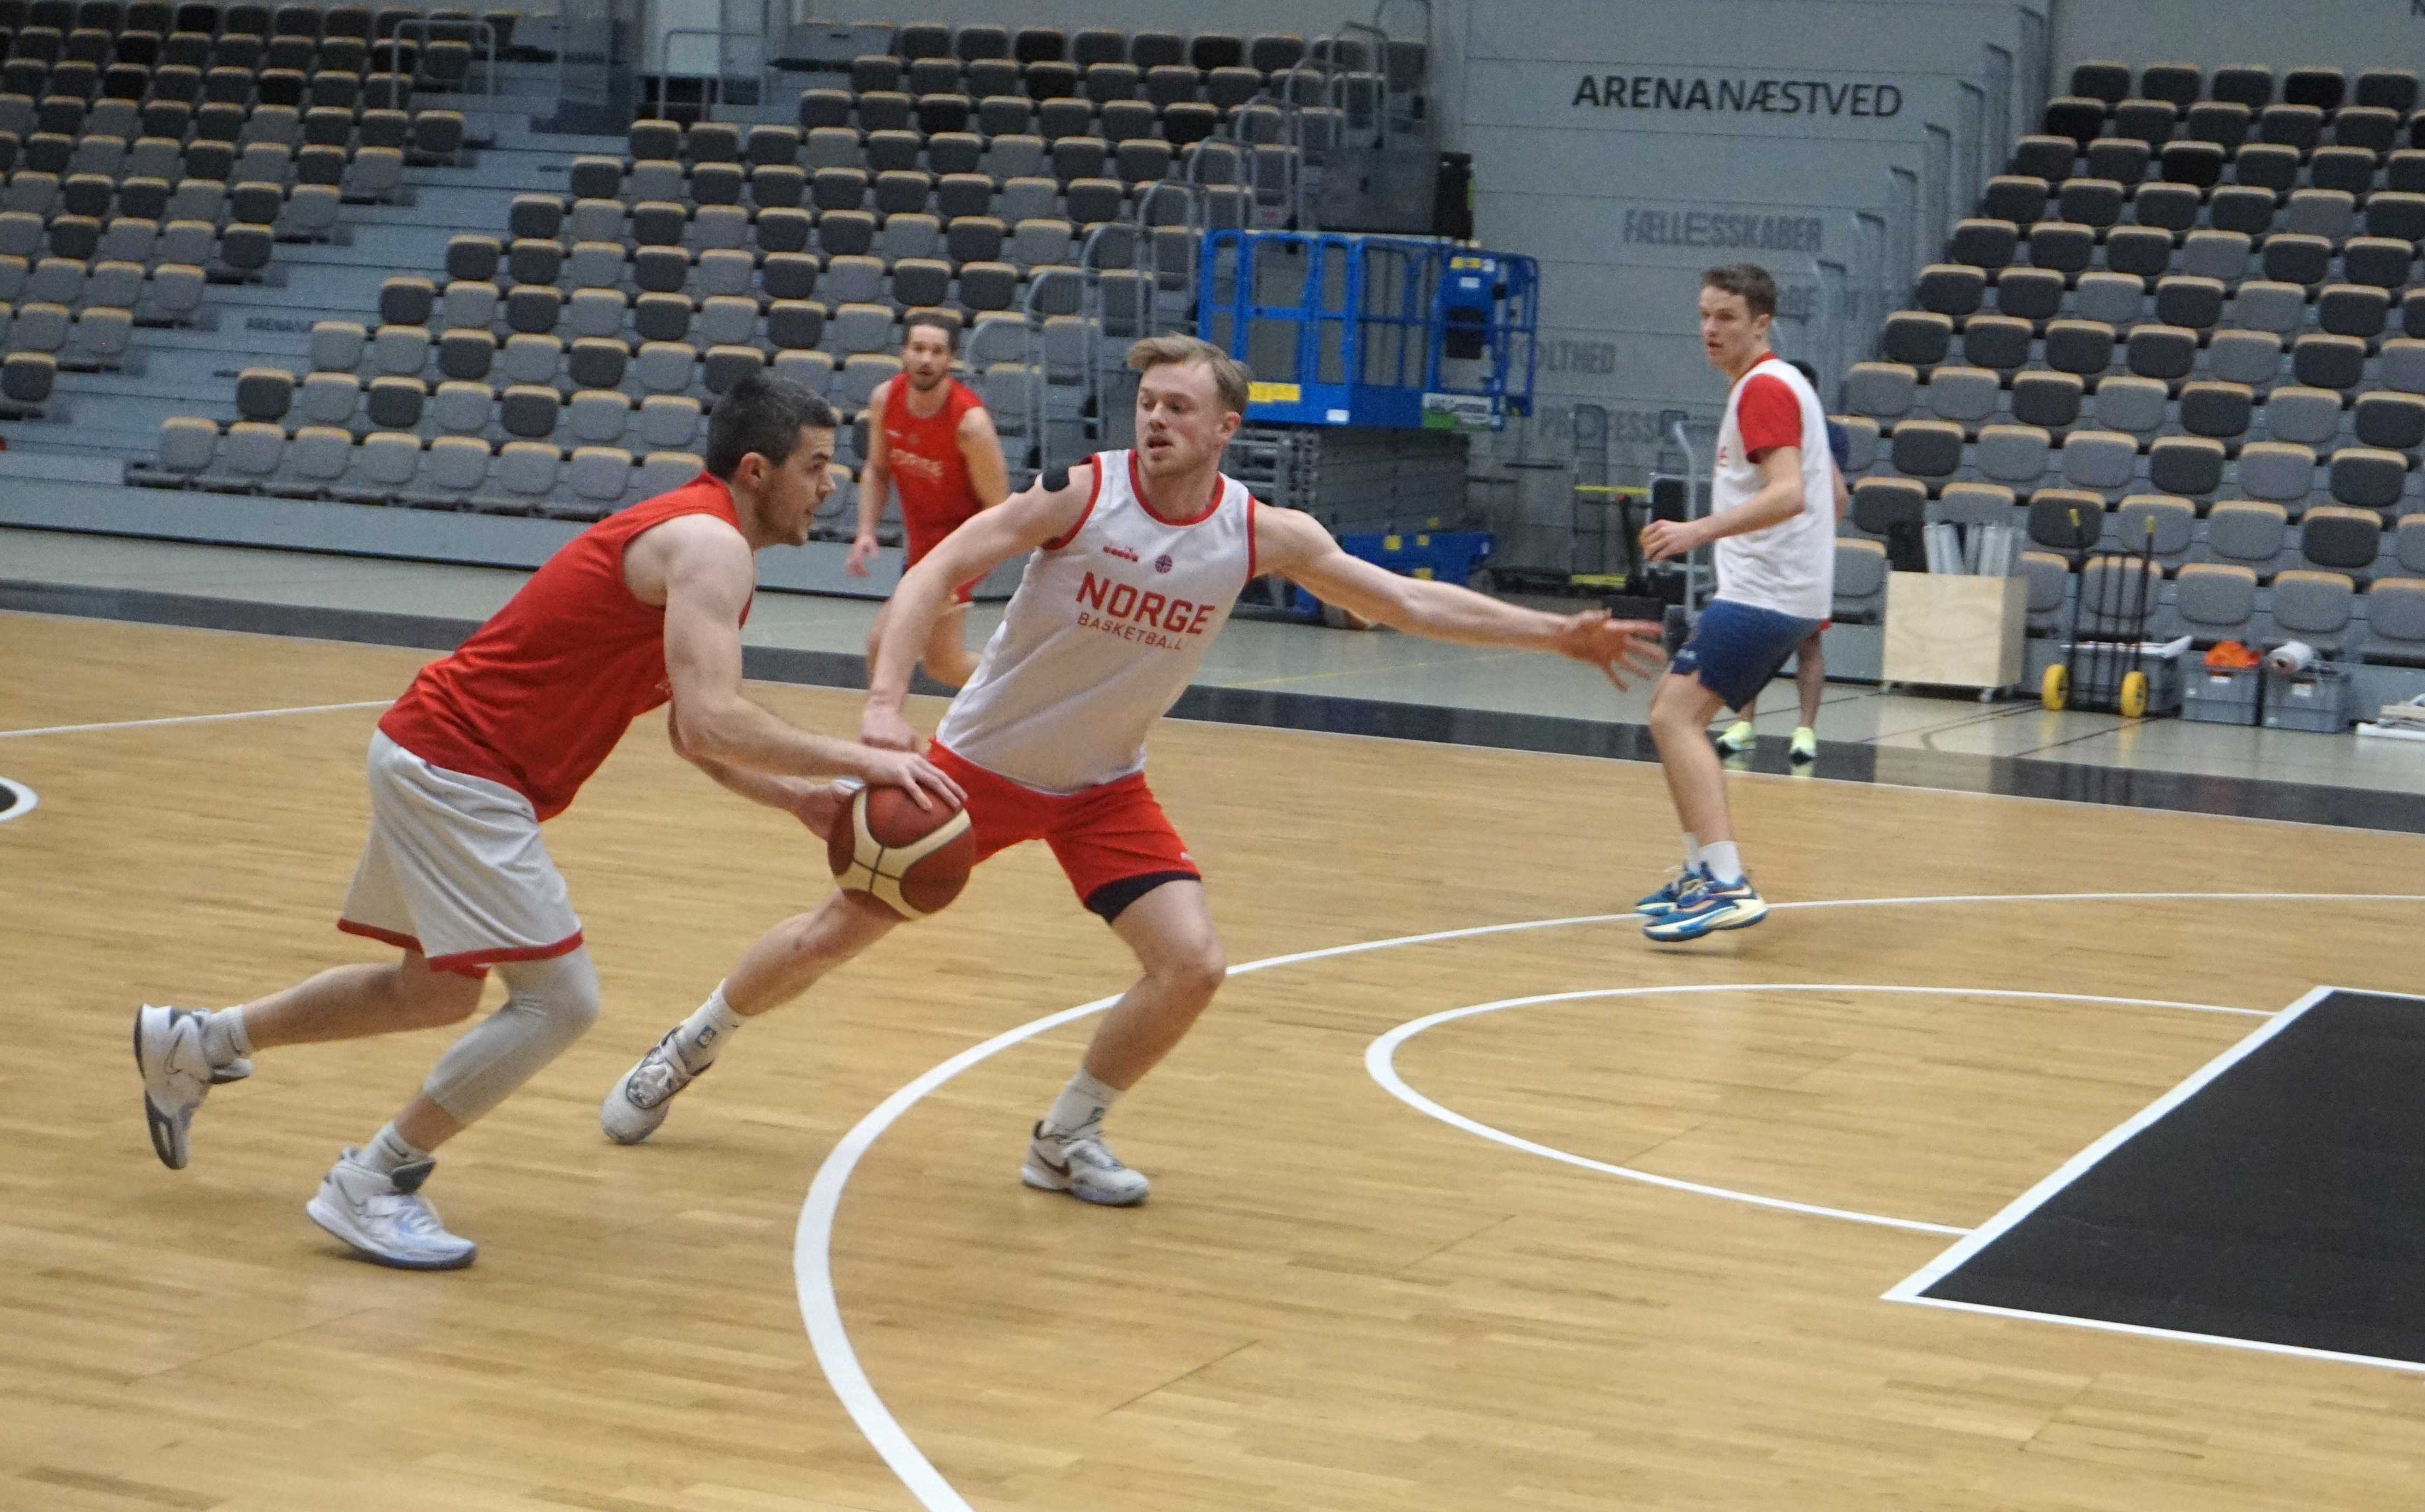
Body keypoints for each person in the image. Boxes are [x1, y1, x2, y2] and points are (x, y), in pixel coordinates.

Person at [599, 335, 1661, 1205]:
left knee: (1192, 963)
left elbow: (1408, 601)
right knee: (838, 930)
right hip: (980, 767)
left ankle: (1066, 1135)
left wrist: (1553, 634)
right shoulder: (1078, 493)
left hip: (1106, 783)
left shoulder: (1258, 531)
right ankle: (691, 1044)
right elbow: (935, 570)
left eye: (1179, 408)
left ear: (1225, 429)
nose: (1155, 419)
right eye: (1148, 402)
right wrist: (885, 702)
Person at [132, 375, 963, 1270]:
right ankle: (372, 1182)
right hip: (461, 769)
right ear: (757, 471)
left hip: (437, 755)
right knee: (560, 1002)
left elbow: (692, 732)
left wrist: (796, 798)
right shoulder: (710, 549)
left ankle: (198, 1044)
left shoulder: (702, 544)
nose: (830, 486)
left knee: (434, 993)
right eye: (815, 467)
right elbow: (720, 718)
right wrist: (869, 759)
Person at [1631, 264, 1837, 944]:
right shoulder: (1788, 387)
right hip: (1786, 590)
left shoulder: (1764, 389)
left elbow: (1790, 494)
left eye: (1725, 317)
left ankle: (1724, 879)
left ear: (1760, 323)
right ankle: (1700, 872)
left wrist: (1696, 531)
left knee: (1672, 716)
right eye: (1703, 315)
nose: (1709, 329)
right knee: (1671, 709)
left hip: (1766, 594)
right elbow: (1832, 492)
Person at [846, 311, 1012, 688]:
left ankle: (880, 738)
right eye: (918, 349)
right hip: (920, 546)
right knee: (943, 663)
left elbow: (999, 511)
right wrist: (866, 531)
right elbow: (877, 470)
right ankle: (1028, 686)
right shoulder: (884, 399)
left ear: (950, 359)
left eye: (937, 351)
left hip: (961, 549)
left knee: (882, 641)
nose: (926, 359)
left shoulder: (971, 425)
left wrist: (960, 567)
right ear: (903, 352)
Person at [1713, 358, 1851, 766]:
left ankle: (1804, 729)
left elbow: (1836, 495)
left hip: (1799, 556)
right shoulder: (1757, 414)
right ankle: (1743, 722)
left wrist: (1812, 540)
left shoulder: (1827, 437)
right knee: (1750, 643)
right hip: (1766, 553)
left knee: (1809, 643)